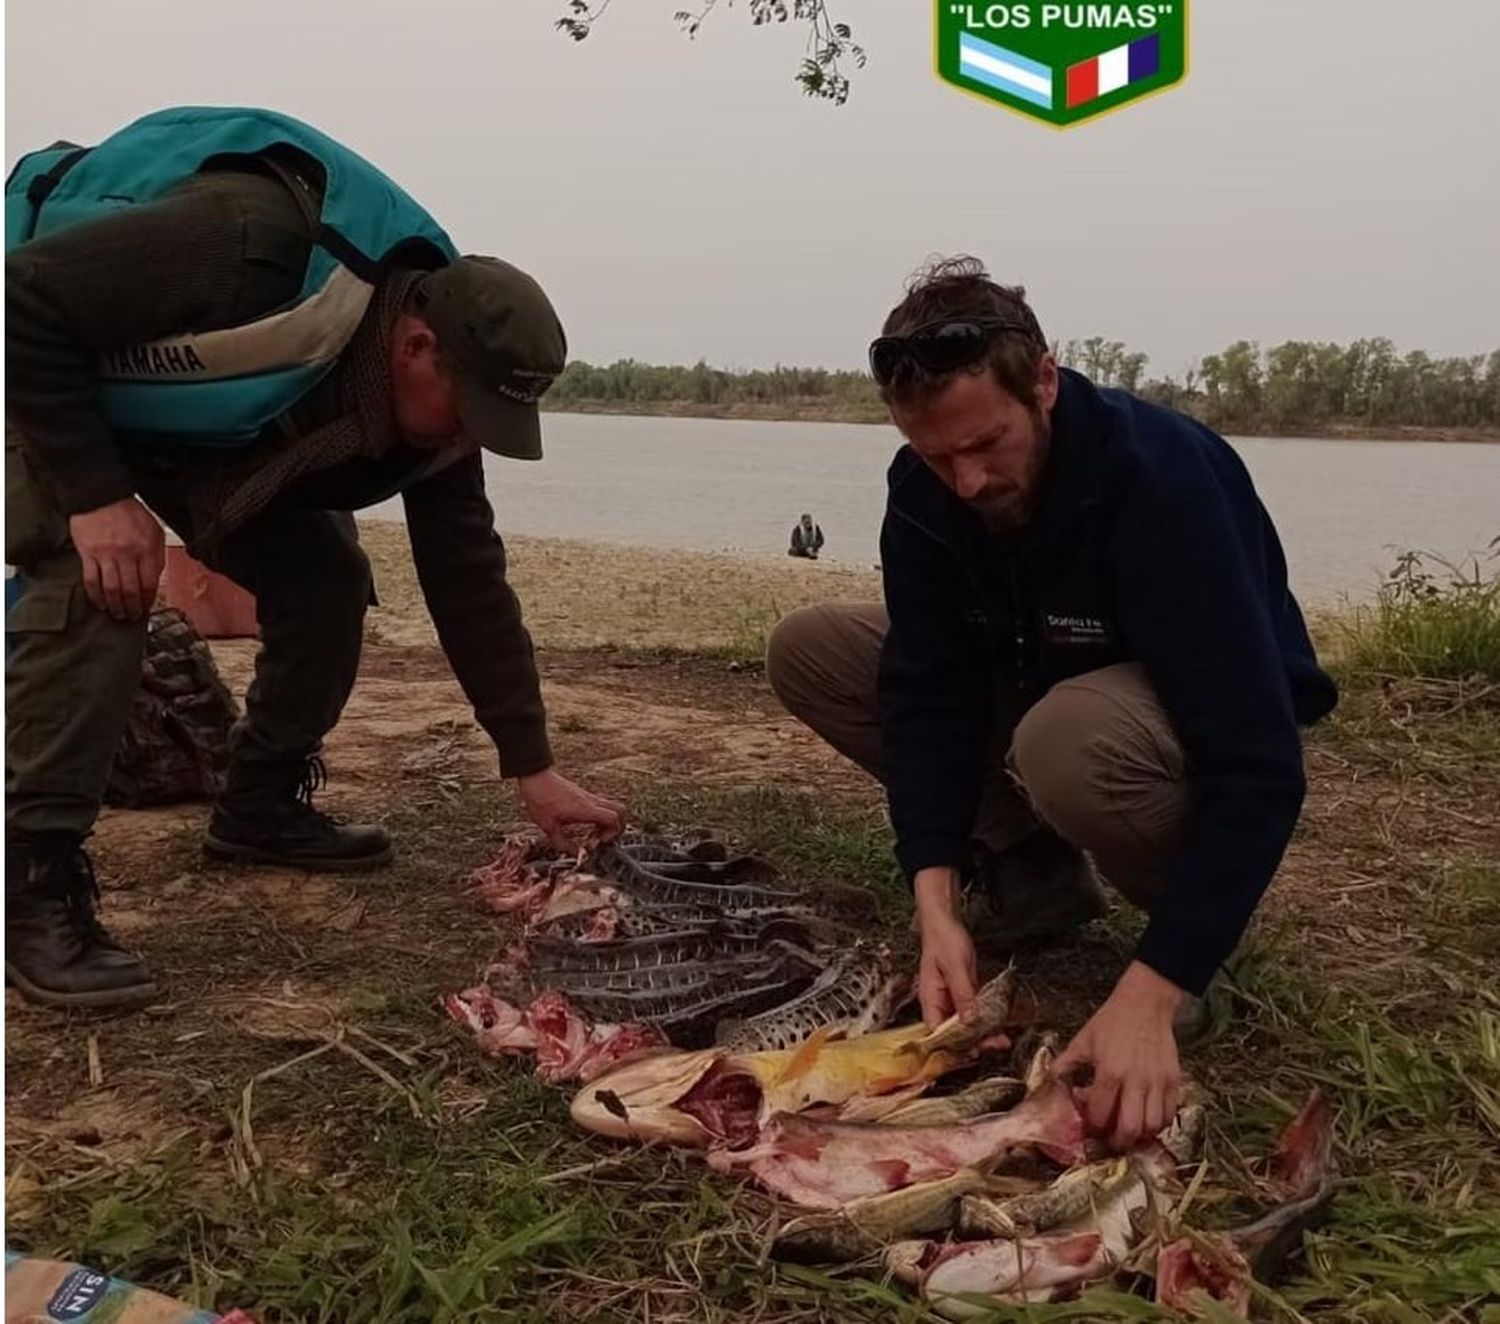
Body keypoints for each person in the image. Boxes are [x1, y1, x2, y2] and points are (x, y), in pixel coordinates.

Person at [5, 107, 626, 1010]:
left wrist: (531, 766)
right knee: (104, 574)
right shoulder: (248, 243)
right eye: (469, 413)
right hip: (52, 374)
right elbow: (21, 298)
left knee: (328, 577)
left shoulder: (441, 415)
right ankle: (33, 884)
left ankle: (257, 810)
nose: (469, 441)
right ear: (417, 346)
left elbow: (469, 580)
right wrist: (100, 498)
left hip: (198, 431)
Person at [766, 257, 1336, 1150]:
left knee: (1068, 740)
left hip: (1160, 708)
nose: (965, 481)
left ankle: (1190, 948)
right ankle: (1033, 876)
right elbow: (926, 693)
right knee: (813, 648)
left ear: (1044, 381)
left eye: (986, 444)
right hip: (1034, 671)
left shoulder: (1163, 481)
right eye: (933, 453)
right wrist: (936, 904)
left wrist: (1151, 994)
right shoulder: (925, 493)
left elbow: (1261, 765)